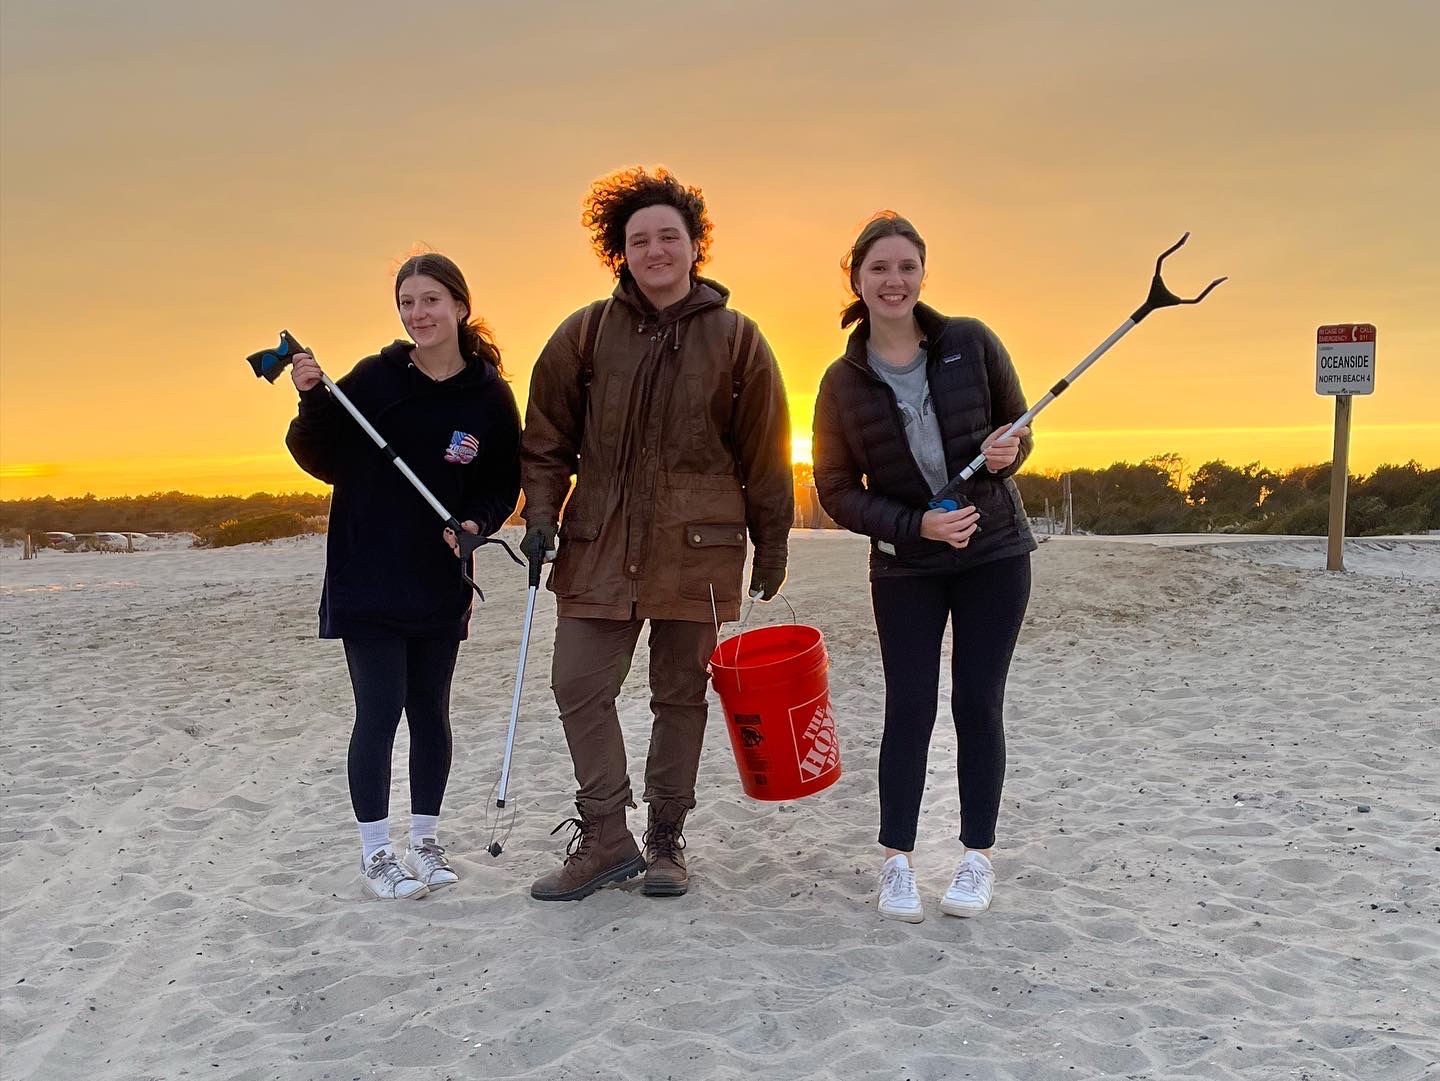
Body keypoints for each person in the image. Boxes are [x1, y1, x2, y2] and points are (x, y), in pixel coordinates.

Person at [520, 166, 793, 901]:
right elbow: (544, 436)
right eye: (639, 239)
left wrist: (774, 542)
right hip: (597, 540)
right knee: (577, 683)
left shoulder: (738, 340)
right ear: (621, 250)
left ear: (693, 244)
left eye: (669, 235)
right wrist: (541, 512)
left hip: (696, 547)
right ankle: (607, 834)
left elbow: (767, 451)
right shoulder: (583, 333)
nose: (655, 249)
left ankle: (667, 837)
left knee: (679, 697)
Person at [812, 212, 1035, 923]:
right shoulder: (841, 381)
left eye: (906, 266)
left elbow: (1018, 430)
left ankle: (976, 858)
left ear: (923, 274)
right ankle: (897, 863)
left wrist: (1008, 452)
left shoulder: (970, 341)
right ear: (857, 278)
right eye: (879, 267)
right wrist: (917, 526)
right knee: (909, 706)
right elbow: (836, 491)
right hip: (906, 565)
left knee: (978, 702)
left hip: (993, 553)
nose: (894, 280)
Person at [284, 252, 521, 900]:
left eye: (430, 301)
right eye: (407, 303)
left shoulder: (488, 396)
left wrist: (473, 524)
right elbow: (321, 454)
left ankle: (424, 839)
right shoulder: (376, 379)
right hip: (368, 571)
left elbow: (502, 481)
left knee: (430, 712)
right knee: (381, 709)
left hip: (439, 576)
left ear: (460, 306)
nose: (418, 314)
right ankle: (376, 852)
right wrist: (312, 401)